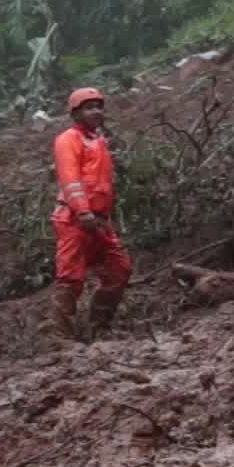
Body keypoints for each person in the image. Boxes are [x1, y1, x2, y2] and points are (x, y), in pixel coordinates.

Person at [51, 88, 132, 339]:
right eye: (89, 107)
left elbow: (101, 184)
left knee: (119, 268)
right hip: (75, 219)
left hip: (98, 220)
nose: (96, 111)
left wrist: (103, 216)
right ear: (75, 113)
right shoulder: (69, 139)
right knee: (71, 278)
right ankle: (56, 337)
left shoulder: (97, 141)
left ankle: (99, 327)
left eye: (99, 106)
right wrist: (83, 211)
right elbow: (70, 178)